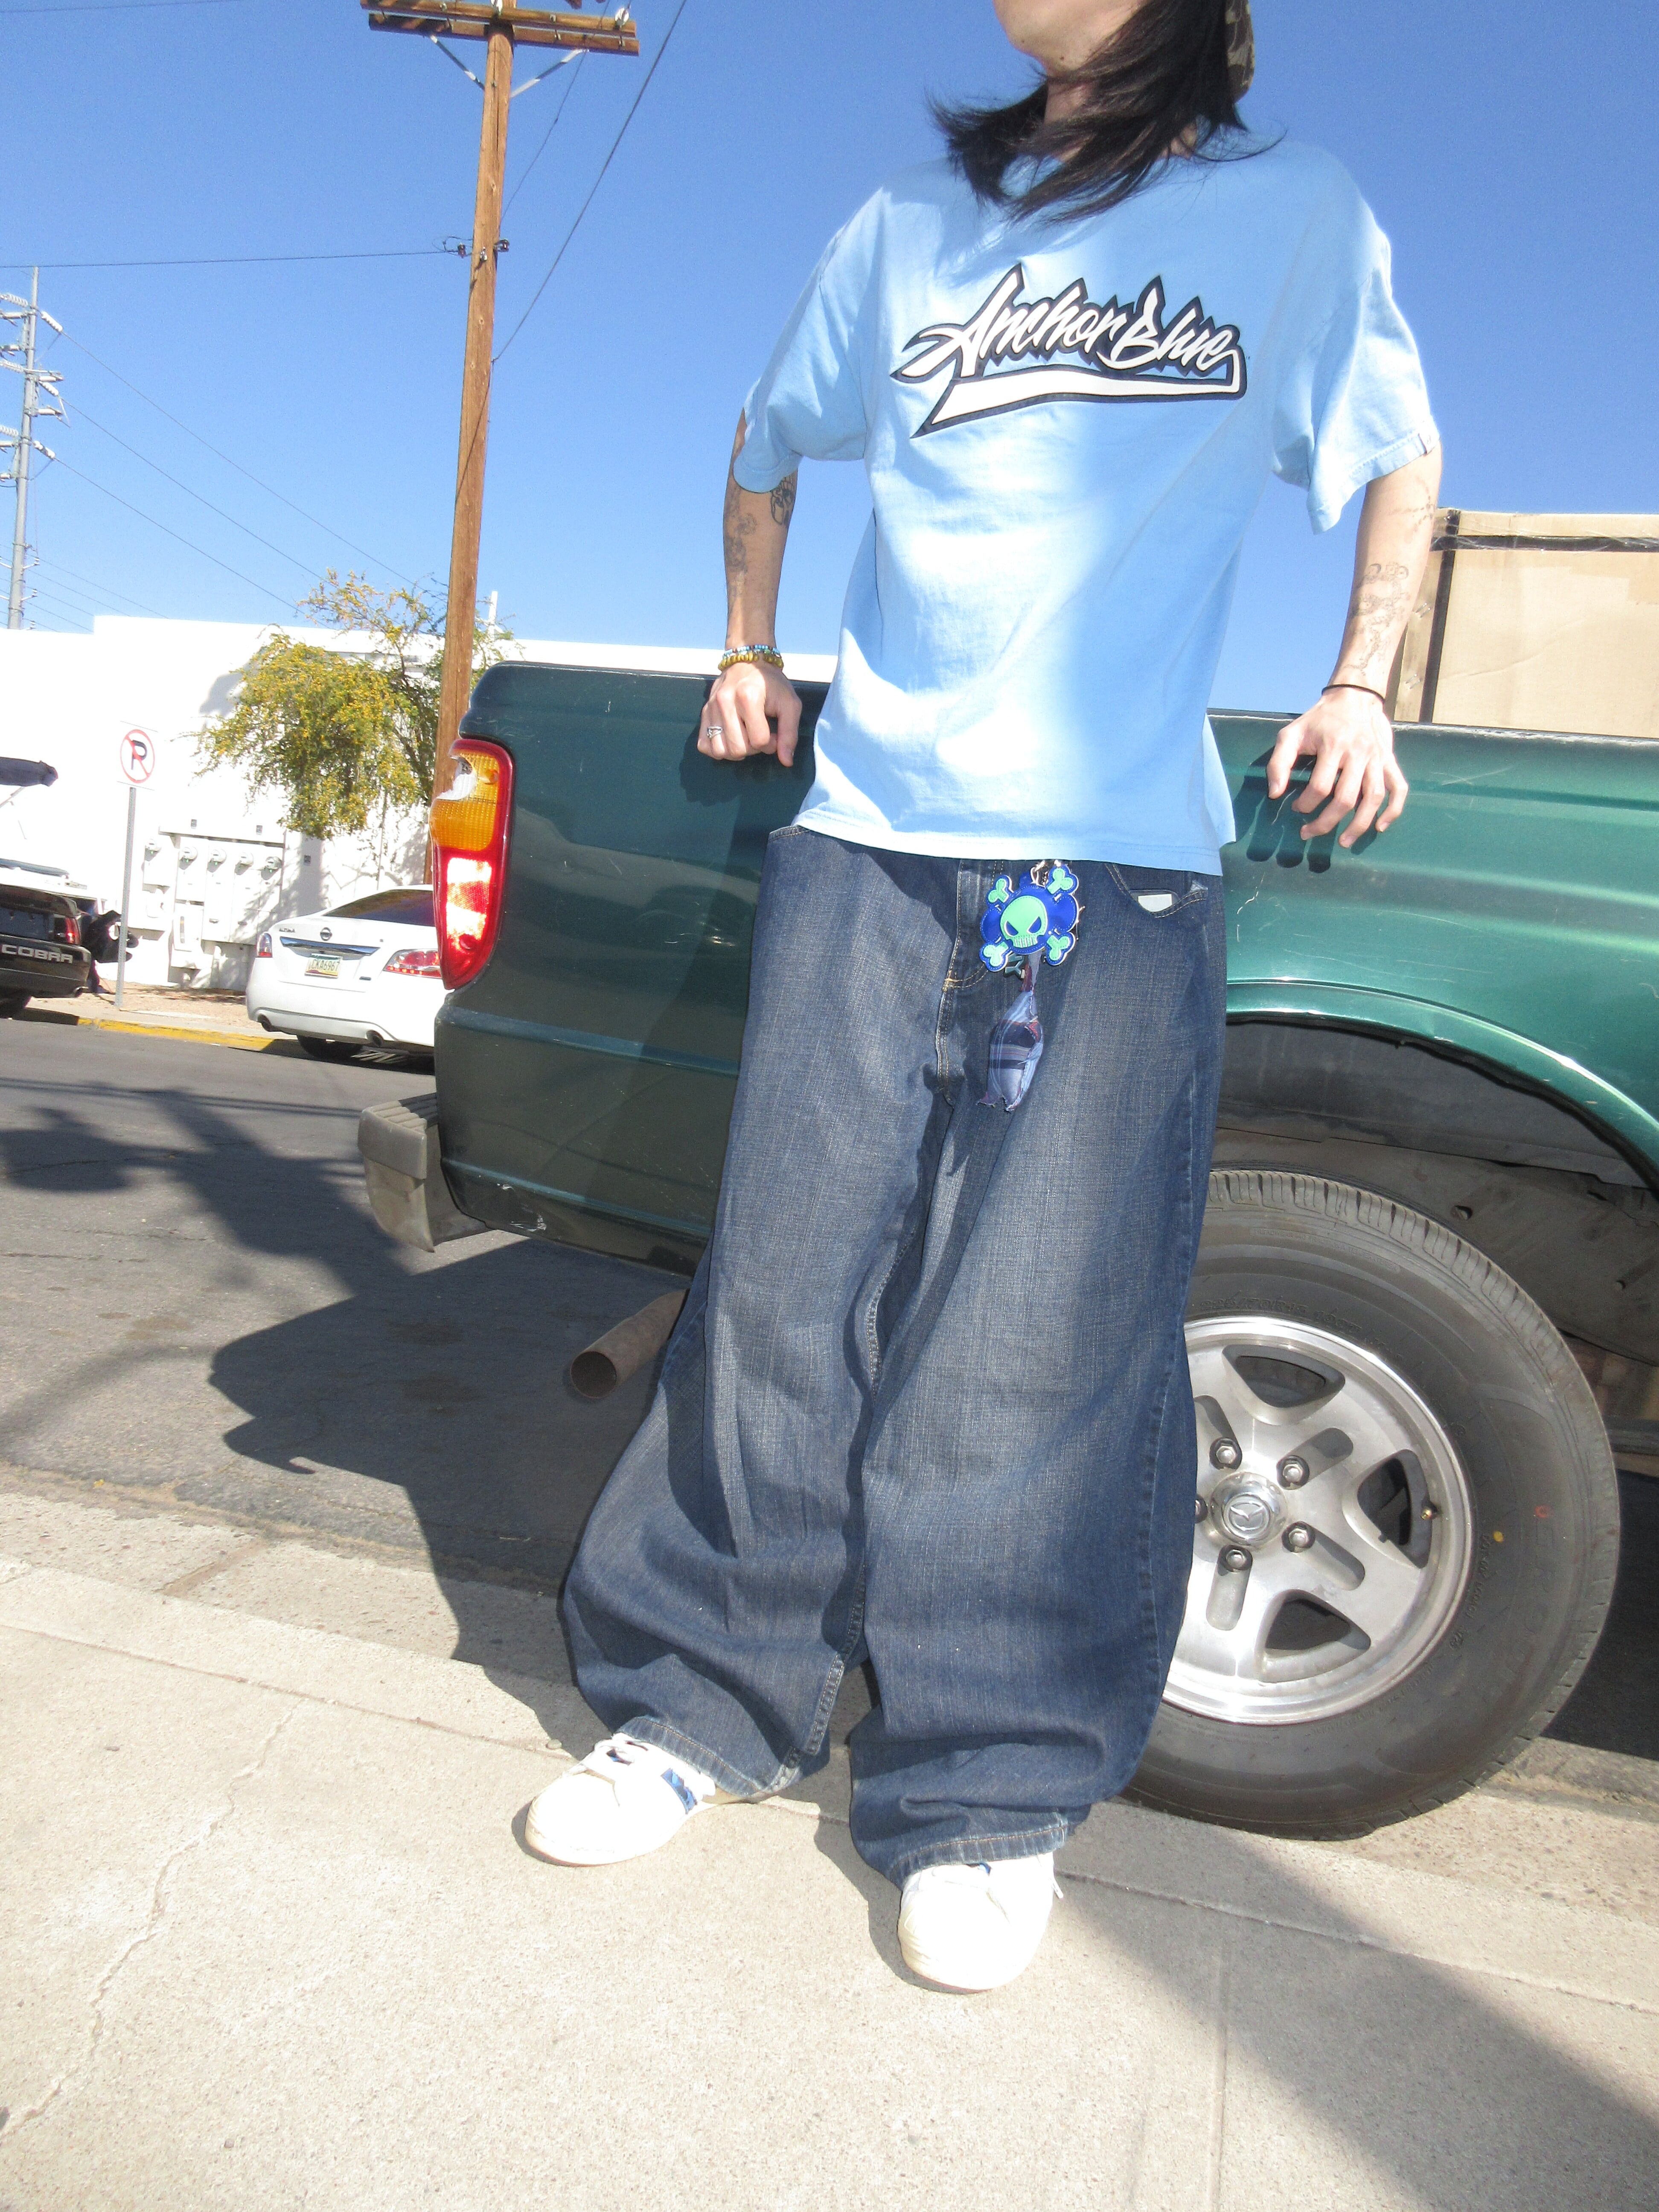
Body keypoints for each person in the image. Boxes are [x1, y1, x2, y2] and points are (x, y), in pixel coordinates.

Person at [528, 0, 1442, 1992]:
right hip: (871, 846)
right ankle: (701, 1706)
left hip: (1091, 873)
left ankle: (981, 1789)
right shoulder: (906, 225)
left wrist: (1364, 678)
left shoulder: (1292, 210)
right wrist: (746, 642)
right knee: (781, 1296)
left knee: (1028, 1329)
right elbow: (767, 439)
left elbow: (1397, 450)